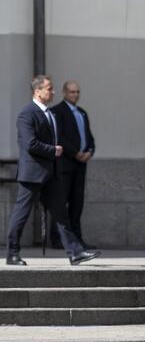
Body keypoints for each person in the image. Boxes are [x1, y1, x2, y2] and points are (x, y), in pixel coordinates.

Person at [5, 75, 100, 266]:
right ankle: (12, 253)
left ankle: (75, 252)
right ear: (37, 91)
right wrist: (53, 150)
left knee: (61, 214)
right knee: (21, 213)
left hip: (51, 174)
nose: (53, 92)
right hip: (33, 173)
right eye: (49, 88)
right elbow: (30, 144)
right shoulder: (27, 114)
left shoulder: (50, 114)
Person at [49, 81, 96, 249]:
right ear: (64, 92)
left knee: (77, 203)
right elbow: (58, 137)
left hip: (80, 165)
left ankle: (77, 239)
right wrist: (74, 152)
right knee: (61, 202)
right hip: (65, 164)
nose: (75, 95)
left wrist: (90, 151)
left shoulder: (82, 113)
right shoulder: (57, 112)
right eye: (72, 92)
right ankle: (57, 239)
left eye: (77, 92)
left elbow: (89, 137)